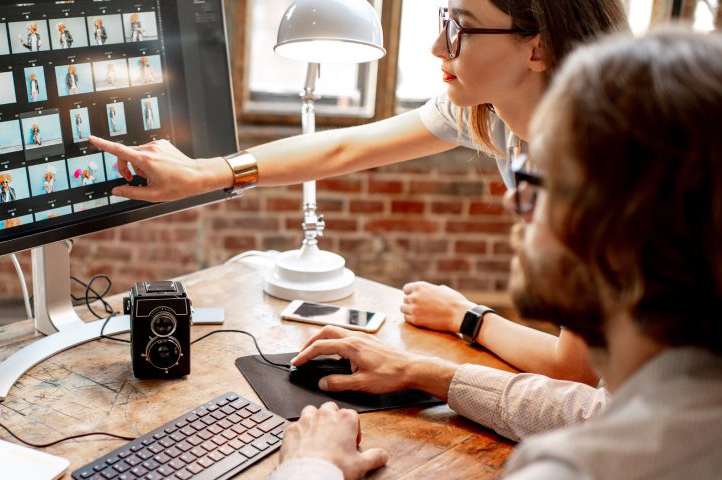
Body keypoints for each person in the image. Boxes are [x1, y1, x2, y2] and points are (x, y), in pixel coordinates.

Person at [90, 0, 629, 385]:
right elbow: (345, 149)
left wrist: (467, 317)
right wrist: (207, 173)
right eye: (444, 20)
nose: (437, 45)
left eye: (461, 29)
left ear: (539, 47)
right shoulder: (487, 112)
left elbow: (575, 368)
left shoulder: (601, 164)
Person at [273, 29, 722, 480]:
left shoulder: (574, 469)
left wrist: (312, 467)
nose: (513, 200)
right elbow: (594, 409)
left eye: (541, 178)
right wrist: (422, 370)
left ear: (618, 224)